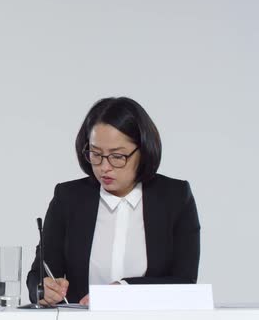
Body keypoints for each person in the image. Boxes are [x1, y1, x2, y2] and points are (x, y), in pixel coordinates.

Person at [26, 97, 200, 306]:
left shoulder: (175, 197)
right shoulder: (68, 197)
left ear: (143, 151)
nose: (104, 167)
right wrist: (43, 289)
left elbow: (185, 282)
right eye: (95, 154)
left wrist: (125, 289)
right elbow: (38, 274)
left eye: (117, 156)